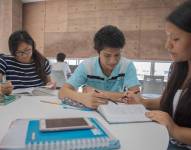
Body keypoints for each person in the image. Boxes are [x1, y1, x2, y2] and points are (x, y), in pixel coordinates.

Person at [125, 1, 191, 149]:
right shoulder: (179, 67)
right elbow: (176, 99)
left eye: (175, 39)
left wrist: (175, 130)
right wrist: (144, 102)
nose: (167, 45)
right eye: (168, 37)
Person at [59, 25, 140, 109]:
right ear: (98, 52)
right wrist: (82, 97)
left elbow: (136, 97)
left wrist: (96, 92)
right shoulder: (87, 66)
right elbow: (62, 92)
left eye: (117, 55)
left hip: (117, 110)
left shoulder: (127, 65)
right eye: (107, 55)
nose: (113, 61)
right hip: (93, 111)